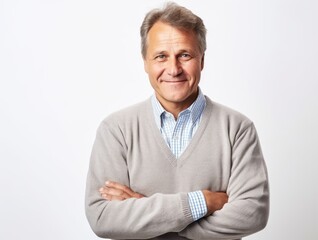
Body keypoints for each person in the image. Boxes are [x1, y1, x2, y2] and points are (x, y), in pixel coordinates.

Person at [85, 2, 269, 240]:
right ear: (146, 62)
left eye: (184, 55)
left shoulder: (237, 129)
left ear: (201, 60)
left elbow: (252, 214)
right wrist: (202, 202)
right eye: (161, 56)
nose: (173, 69)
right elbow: (102, 218)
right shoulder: (116, 130)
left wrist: (157, 218)